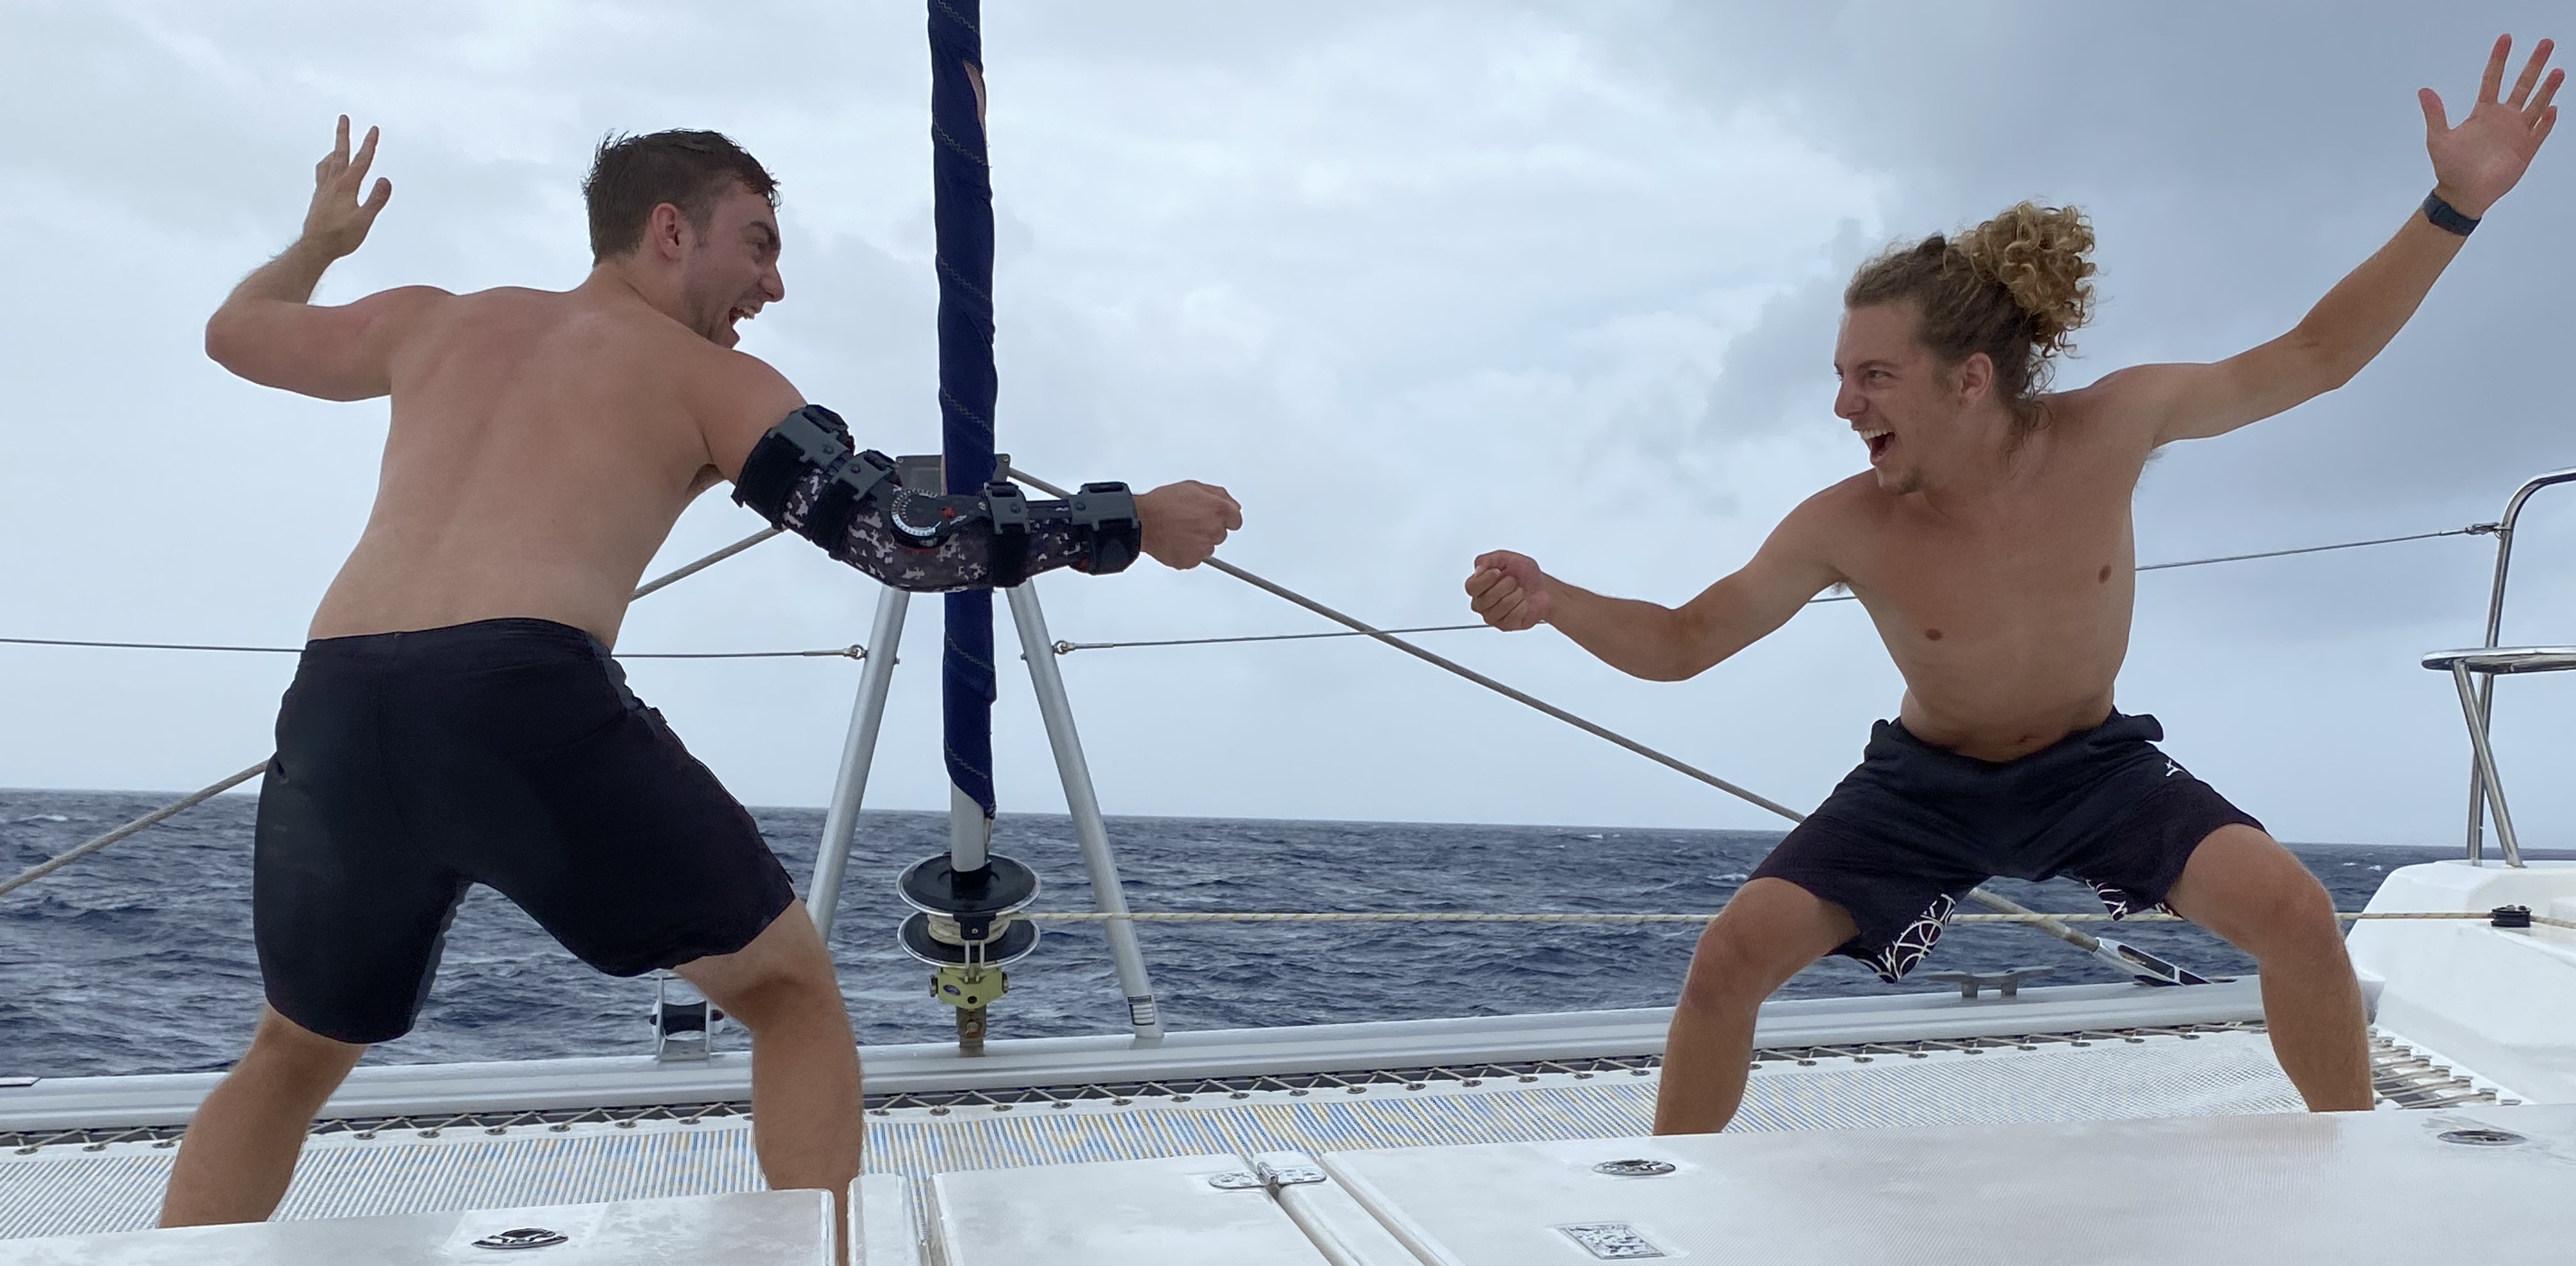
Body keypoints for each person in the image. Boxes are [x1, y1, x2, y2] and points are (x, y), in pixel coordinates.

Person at [159, 122, 1243, 1238]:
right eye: (758, 245)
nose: (772, 285)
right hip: (518, 696)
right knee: (787, 995)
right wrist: (1129, 521)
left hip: (337, 701)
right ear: (670, 231)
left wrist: (318, 241)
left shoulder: (435, 318)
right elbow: (904, 539)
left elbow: (237, 332)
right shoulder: (704, 375)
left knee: (296, 1044)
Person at [1466, 36, 2558, 1135]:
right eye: (1840, 378)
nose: (1844, 406)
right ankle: (1673, 1194)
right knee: (1728, 957)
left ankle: (2356, 1164)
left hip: (2096, 770)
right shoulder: (1845, 523)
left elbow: (2316, 354)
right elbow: (1683, 639)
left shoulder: (2115, 425)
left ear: (1969, 379)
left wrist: (2452, 207)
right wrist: (1555, 599)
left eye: (1872, 376)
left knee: (2299, 916)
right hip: (1924, 787)